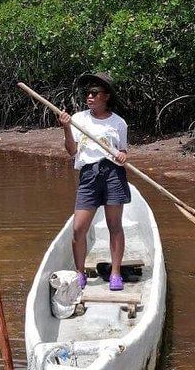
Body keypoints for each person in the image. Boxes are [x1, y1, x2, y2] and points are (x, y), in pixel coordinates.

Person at [58, 72, 131, 291]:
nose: (89, 97)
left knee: (114, 226)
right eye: (87, 93)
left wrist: (123, 156)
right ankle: (80, 273)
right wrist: (65, 127)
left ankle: (115, 274)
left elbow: (124, 152)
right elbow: (72, 152)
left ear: (106, 96)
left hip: (113, 174)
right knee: (78, 229)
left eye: (95, 93)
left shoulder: (118, 123)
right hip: (89, 175)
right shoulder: (78, 119)